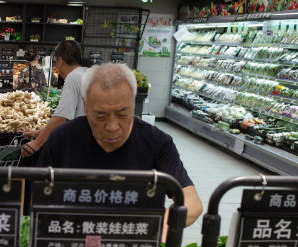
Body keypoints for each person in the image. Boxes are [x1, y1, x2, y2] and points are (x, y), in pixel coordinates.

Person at [36, 63, 203, 230]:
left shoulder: (157, 143)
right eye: (101, 115)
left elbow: (192, 203)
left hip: (132, 240)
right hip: (72, 238)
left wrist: (157, 228)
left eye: (123, 114)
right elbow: (39, 199)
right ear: (85, 104)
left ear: (133, 103)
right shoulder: (62, 138)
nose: (112, 126)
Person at [21, 40, 87, 157]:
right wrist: (38, 133)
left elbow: (61, 118)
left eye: (56, 62)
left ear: (60, 60)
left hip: (79, 146)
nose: (56, 66)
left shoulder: (72, 77)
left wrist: (36, 144)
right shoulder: (86, 73)